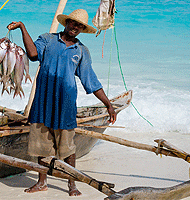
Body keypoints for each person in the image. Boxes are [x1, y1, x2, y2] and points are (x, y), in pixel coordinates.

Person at [7, 9, 117, 196]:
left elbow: (90, 80)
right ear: (66, 23)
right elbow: (33, 55)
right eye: (73, 23)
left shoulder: (81, 51)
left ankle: (72, 184)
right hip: (42, 102)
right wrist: (22, 28)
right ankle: (42, 182)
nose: (76, 27)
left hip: (65, 105)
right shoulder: (48, 39)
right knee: (42, 146)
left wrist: (108, 104)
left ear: (82, 29)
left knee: (68, 148)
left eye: (80, 26)